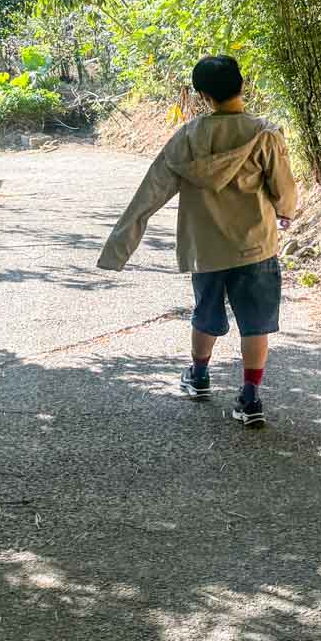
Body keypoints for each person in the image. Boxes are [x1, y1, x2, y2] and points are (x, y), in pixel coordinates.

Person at [98, 55, 298, 426]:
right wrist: (285, 210)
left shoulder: (187, 139)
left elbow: (150, 193)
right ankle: (251, 398)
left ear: (203, 95)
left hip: (204, 250)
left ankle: (199, 376)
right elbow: (284, 190)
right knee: (256, 323)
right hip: (255, 246)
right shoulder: (265, 135)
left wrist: (118, 247)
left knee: (205, 313)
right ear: (242, 86)